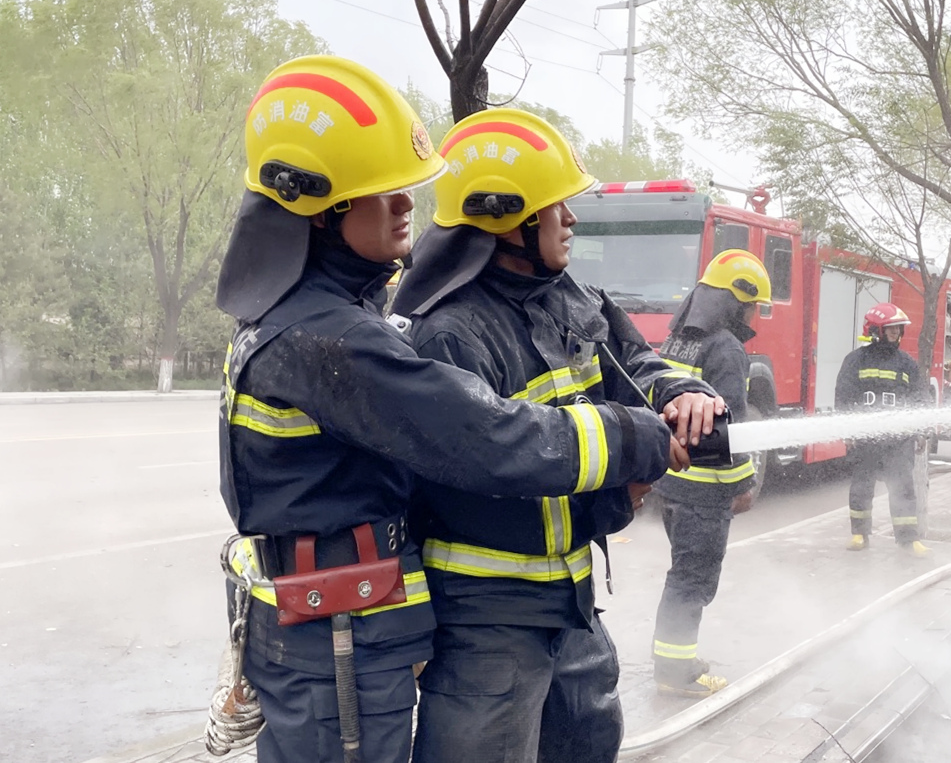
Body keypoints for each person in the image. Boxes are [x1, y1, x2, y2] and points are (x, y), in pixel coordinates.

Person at [214, 58, 681, 763]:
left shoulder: (312, 319)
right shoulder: (329, 338)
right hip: (337, 633)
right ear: (315, 203)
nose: (409, 204)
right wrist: (635, 439)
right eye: (383, 190)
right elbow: (486, 438)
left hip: (343, 625)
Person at [391, 108, 725, 763]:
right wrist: (626, 455)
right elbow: (498, 454)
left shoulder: (568, 296)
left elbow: (635, 364)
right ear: (504, 216)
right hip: (486, 626)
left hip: (570, 608)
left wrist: (678, 394)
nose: (570, 218)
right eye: (554, 206)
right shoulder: (449, 333)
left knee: (589, 742)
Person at [650, 249, 769, 697]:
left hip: (671, 483)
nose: (754, 316)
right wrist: (744, 485)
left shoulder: (678, 340)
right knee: (692, 580)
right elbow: (729, 429)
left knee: (682, 573)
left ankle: (672, 660)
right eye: (753, 306)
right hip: (705, 494)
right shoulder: (726, 348)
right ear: (738, 301)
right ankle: (676, 672)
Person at [834, 303, 932, 557]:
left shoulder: (907, 363)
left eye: (898, 329)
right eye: (891, 329)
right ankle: (859, 534)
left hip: (898, 440)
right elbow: (843, 397)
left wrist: (921, 430)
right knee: (861, 487)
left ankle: (908, 539)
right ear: (875, 330)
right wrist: (848, 430)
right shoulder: (855, 360)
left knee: (903, 489)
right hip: (865, 438)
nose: (896, 333)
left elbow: (920, 398)